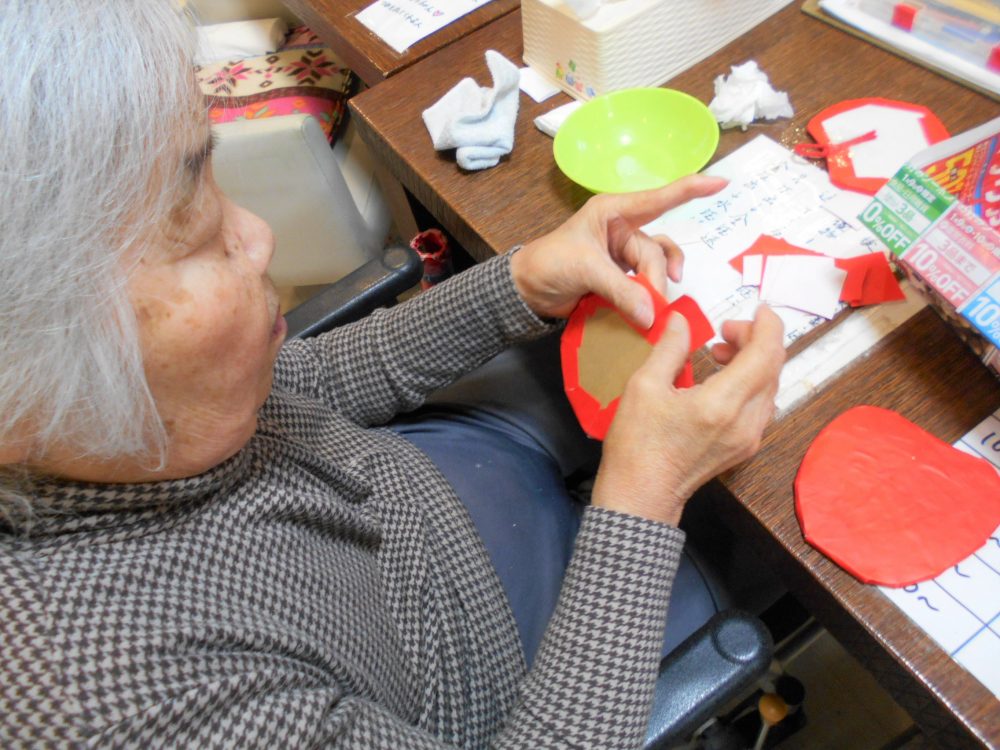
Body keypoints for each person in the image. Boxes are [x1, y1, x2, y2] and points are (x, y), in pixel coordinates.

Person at [0, 1, 785, 747]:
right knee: (765, 510)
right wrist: (645, 499)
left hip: (421, 477)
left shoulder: (115, 426)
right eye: (196, 233)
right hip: (500, 664)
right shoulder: (122, 706)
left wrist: (519, 283)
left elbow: (304, 382)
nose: (259, 236)